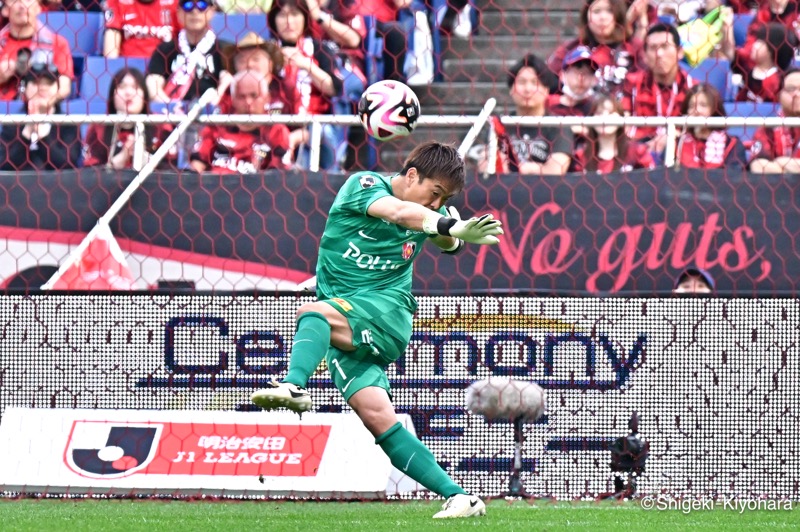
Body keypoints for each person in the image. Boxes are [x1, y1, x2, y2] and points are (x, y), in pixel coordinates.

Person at [250, 141, 501, 519]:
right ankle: (460, 497)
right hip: (351, 319)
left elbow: (446, 242)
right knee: (379, 420)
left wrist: (454, 228)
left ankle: (293, 386)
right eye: (434, 193)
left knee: (312, 313)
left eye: (443, 199)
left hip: (386, 313)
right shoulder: (363, 185)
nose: (436, 204)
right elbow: (399, 212)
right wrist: (449, 224)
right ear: (412, 174)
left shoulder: (432, 214)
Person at [481, 53, 573, 176]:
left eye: (535, 82)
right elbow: (485, 167)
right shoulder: (499, 125)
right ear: (511, 89)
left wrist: (522, 169)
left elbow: (556, 171)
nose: (528, 89)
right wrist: (538, 168)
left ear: (546, 90)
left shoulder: (559, 126)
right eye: (521, 82)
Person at [189, 69, 291, 172]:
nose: (248, 102)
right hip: (215, 185)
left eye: (254, 95)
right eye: (241, 96)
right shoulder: (218, 124)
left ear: (267, 98)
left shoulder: (276, 130)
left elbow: (278, 175)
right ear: (232, 99)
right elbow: (198, 161)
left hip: (256, 185)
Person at [622, 22, 695, 158]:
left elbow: (699, 130)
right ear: (644, 54)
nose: (659, 54)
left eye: (665, 47)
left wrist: (672, 136)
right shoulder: (632, 83)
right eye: (653, 48)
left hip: (678, 152)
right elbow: (623, 122)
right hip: (638, 152)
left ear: (680, 52)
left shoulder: (693, 88)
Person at [146, 0, 232, 103]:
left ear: (212, 12)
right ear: (179, 13)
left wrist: (216, 97)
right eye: (188, 5)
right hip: (171, 113)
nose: (195, 11)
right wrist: (170, 108)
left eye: (202, 5)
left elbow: (230, 83)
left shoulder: (225, 49)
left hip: (214, 113)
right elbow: (153, 84)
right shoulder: (165, 49)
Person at [547, 0, 643, 93]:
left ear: (619, 15)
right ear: (586, 16)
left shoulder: (634, 47)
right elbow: (548, 81)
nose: (603, 17)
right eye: (596, 11)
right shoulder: (571, 48)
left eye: (610, 10)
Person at [0, 62, 81, 170]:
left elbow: (69, 165)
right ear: (25, 88)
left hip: (56, 185)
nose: (42, 88)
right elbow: (4, 165)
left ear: (57, 89)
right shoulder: (13, 123)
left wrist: (43, 136)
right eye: (36, 82)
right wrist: (27, 133)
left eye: (49, 83)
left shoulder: (68, 123)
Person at [0, 0, 74, 101]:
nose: (22, 5)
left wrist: (43, 98)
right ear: (5, 10)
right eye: (15, 1)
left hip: (40, 113)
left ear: (39, 8)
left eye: (28, 0)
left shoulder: (57, 43)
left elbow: (64, 86)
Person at [83, 67, 156, 169]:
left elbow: (173, 170)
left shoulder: (160, 125)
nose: (129, 93)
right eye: (121, 87)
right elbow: (89, 172)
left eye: (135, 87)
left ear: (145, 94)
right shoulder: (98, 127)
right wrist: (121, 158)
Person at [573, 92, 655, 173]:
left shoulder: (637, 152)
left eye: (610, 113)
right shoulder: (581, 157)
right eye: (599, 113)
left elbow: (653, 179)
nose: (604, 118)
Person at [720, 19, 796, 103]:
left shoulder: (778, 80)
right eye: (756, 41)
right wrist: (727, 29)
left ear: (774, 49)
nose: (755, 45)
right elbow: (730, 54)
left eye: (761, 43)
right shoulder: (747, 68)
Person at [675, 83, 748, 169]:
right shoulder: (677, 143)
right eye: (691, 106)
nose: (696, 110)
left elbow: (734, 177)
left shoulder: (731, 145)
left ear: (714, 109)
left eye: (703, 105)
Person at [749, 68, 800, 173]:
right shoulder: (768, 128)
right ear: (779, 95)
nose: (797, 94)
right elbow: (757, 166)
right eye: (791, 89)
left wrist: (779, 163)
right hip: (775, 188)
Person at [103, 0, 180, 59]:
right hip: (128, 69)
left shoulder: (175, 3)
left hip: (165, 67)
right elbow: (111, 54)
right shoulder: (118, 2)